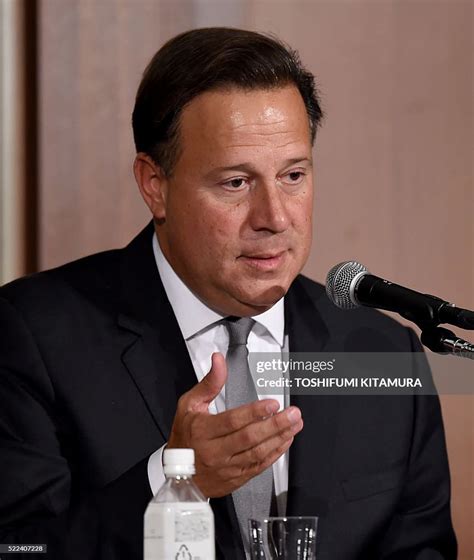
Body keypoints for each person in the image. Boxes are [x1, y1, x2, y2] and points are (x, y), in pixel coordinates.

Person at [0, 27, 456, 560]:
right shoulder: (33, 336)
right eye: (236, 183)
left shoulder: (381, 352)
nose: (275, 218)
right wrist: (173, 482)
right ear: (155, 185)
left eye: (292, 175)